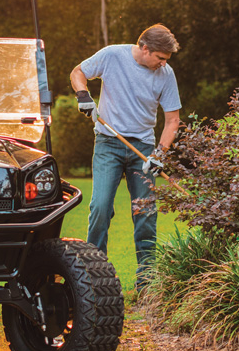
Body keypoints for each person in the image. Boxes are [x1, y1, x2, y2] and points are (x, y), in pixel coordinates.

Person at [69, 24, 181, 290]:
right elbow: (78, 72)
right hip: (108, 143)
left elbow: (173, 120)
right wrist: (83, 95)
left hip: (144, 148)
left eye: (166, 59)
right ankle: (95, 279)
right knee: (100, 207)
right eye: (160, 58)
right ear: (145, 48)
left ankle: (147, 283)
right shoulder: (112, 55)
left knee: (145, 213)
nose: (163, 64)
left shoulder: (166, 74)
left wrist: (159, 154)